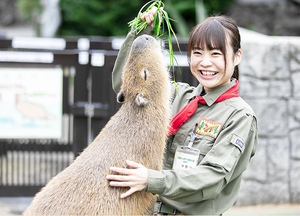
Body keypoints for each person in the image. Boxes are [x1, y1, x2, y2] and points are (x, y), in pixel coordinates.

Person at [106, 7, 258, 215]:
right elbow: (128, 88)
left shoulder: (240, 116)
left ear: (237, 56)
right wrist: (143, 33)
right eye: (197, 53)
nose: (205, 62)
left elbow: (211, 179)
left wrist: (150, 180)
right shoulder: (178, 96)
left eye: (216, 53)